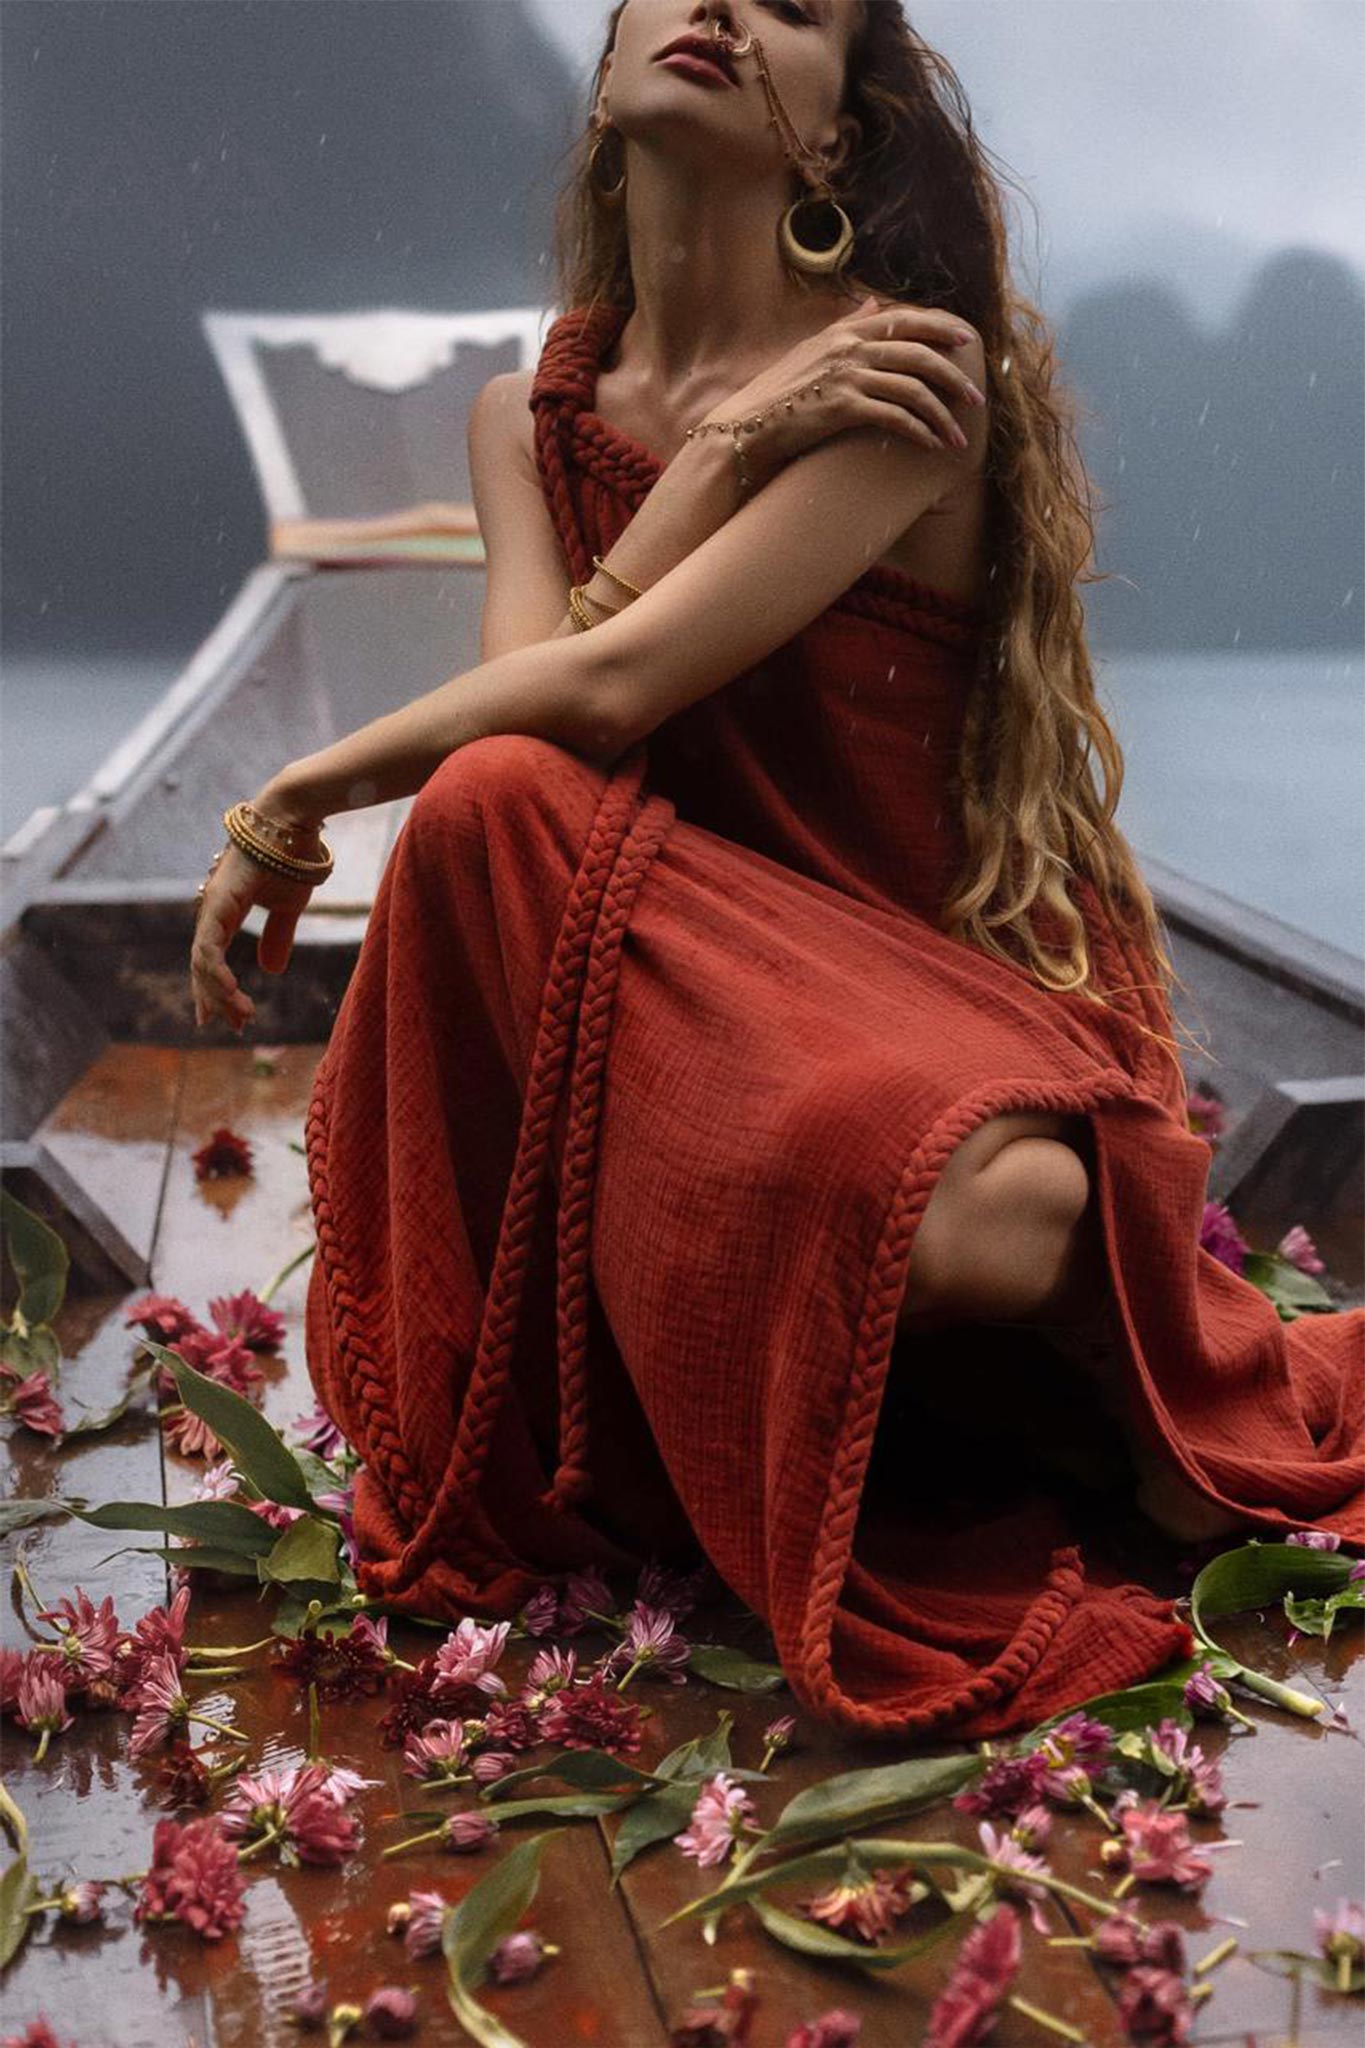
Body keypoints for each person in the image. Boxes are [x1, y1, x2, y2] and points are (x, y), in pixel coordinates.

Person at [187, 0, 1363, 1739]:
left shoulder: (904, 368)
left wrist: (302, 786)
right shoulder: (530, 419)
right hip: (663, 1001)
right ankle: (998, 1381)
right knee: (487, 805)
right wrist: (724, 451)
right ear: (603, 75)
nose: (725, 9)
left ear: (835, 131)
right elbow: (553, 736)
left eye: (799, 6)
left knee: (983, 1211)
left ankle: (1084, 1358)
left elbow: (603, 678)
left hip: (917, 993)